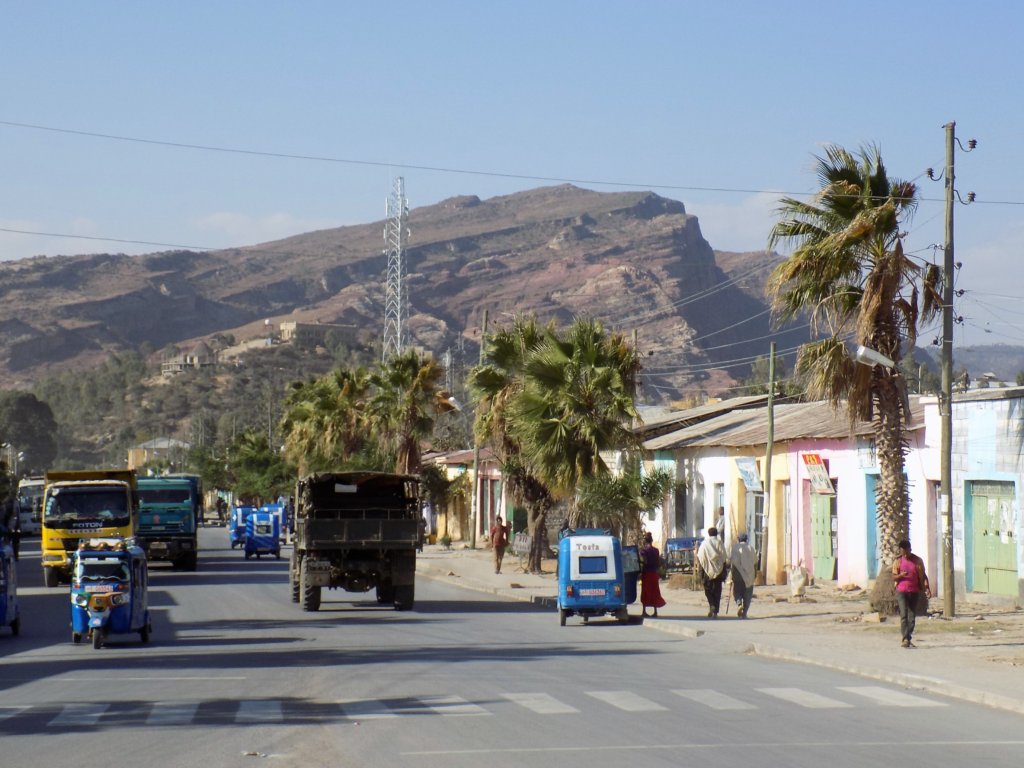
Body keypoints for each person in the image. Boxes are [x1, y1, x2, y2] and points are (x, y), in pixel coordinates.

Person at [892, 538, 931, 648]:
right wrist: (901, 576)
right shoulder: (898, 561)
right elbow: (893, 576)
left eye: (906, 551)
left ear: (910, 549)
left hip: (914, 591)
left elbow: (923, 575)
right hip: (901, 591)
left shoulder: (918, 561)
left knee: (912, 616)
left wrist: (927, 587)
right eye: (902, 552)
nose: (904, 554)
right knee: (904, 615)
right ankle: (905, 638)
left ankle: (907, 637)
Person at [697, 526, 728, 618]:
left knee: (708, 590)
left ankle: (711, 605)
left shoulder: (704, 544)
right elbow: (724, 557)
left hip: (707, 571)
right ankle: (715, 612)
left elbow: (700, 557)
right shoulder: (719, 543)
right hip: (719, 571)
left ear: (709, 534)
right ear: (716, 533)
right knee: (717, 591)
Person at [729, 533, 757, 618]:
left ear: (739, 539)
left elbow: (732, 562)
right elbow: (755, 562)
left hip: (738, 573)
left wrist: (731, 574)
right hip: (749, 573)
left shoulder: (735, 548)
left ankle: (739, 603)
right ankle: (744, 613)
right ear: (746, 540)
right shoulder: (751, 548)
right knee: (748, 594)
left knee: (737, 591)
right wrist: (755, 574)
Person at [639, 532, 666, 618]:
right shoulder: (656, 550)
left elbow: (644, 562)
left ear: (645, 541)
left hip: (646, 573)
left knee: (645, 591)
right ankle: (655, 611)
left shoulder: (643, 551)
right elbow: (658, 563)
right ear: (652, 541)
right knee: (655, 591)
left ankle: (644, 611)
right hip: (654, 573)